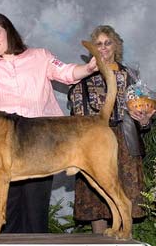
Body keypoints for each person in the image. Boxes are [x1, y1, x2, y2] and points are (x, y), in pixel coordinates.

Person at [0, 13, 98, 233]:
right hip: (4, 143)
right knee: (9, 207)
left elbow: (66, 72)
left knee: (36, 208)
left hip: (41, 140)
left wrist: (88, 68)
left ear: (8, 32)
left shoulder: (40, 56)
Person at [68, 25, 155, 233]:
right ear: (93, 50)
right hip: (93, 142)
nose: (104, 48)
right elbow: (76, 116)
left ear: (116, 45)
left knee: (126, 192)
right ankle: (100, 240)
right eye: (99, 44)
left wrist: (144, 120)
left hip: (125, 142)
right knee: (95, 198)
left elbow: (143, 120)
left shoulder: (132, 77)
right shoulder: (83, 78)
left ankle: (125, 236)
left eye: (108, 43)